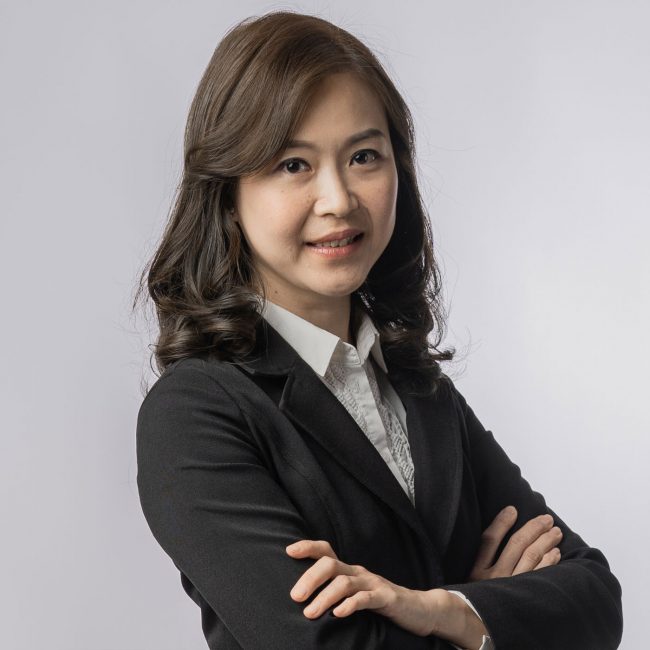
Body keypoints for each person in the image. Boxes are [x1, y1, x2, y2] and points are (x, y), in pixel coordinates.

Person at [134, 10, 623, 650]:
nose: (339, 200)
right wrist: (491, 620)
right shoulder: (194, 415)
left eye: (364, 156)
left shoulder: (420, 388)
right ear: (228, 191)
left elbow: (596, 600)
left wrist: (443, 610)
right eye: (293, 164)